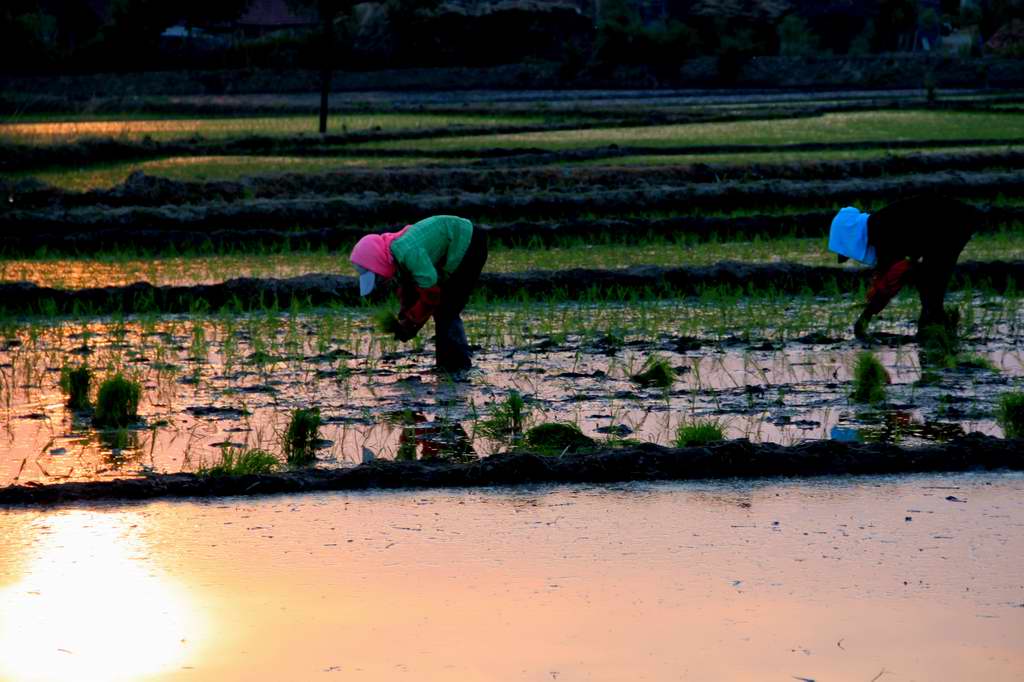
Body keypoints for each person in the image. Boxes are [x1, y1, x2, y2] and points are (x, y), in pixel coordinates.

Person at [828, 196, 980, 340]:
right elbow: (899, 271)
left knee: (931, 284)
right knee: (930, 282)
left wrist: (864, 318)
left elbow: (890, 279)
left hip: (951, 222)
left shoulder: (880, 230)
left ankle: (936, 331)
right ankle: (938, 329)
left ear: (850, 237)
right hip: (953, 221)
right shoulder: (880, 224)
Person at [349, 215, 488, 372]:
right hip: (458, 244)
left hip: (468, 242)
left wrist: (411, 323)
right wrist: (406, 321)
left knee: (446, 310)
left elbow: (431, 294)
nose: (381, 281)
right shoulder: (396, 256)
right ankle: (451, 365)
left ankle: (457, 366)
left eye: (378, 277)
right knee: (444, 310)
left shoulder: (407, 251)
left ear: (380, 262)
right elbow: (410, 292)